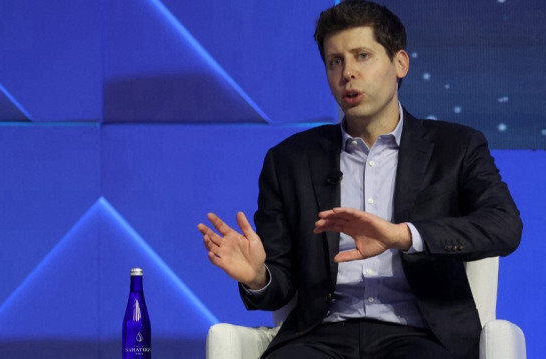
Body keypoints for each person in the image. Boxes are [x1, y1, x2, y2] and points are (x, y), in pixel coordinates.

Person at [197, 1, 522, 358]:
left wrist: (402, 235)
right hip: (319, 337)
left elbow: (504, 227)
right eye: (335, 61)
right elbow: (280, 283)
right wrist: (257, 277)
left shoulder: (456, 147)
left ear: (400, 63)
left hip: (421, 337)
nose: (347, 73)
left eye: (362, 56)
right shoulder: (289, 161)